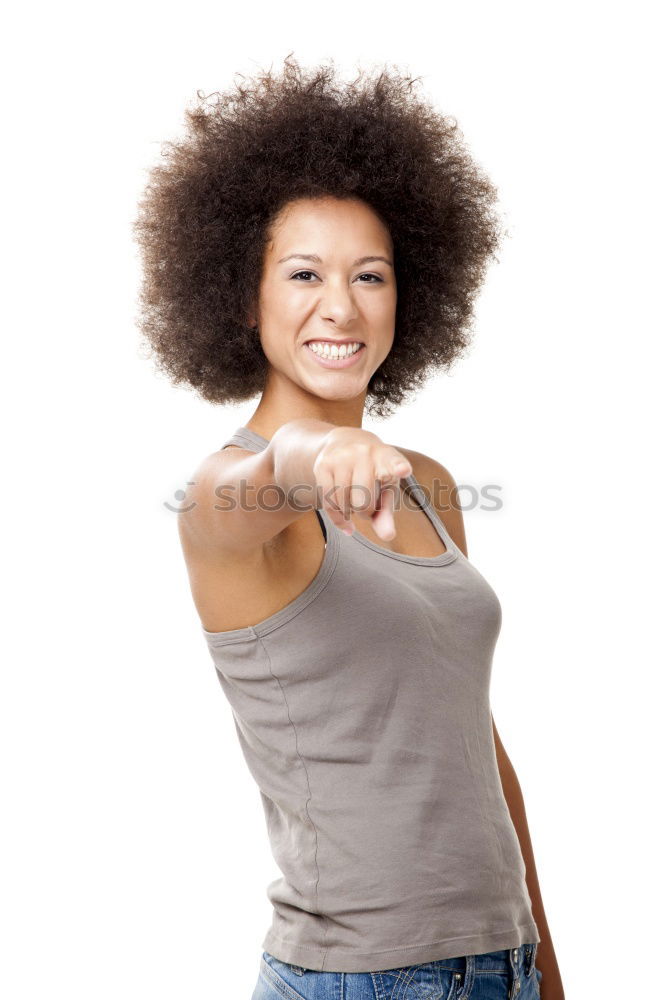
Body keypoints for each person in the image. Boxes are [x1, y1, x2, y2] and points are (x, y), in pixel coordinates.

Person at [133, 55, 564, 1000]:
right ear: (242, 297)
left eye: (370, 274)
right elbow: (255, 486)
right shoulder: (228, 497)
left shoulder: (427, 486)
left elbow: (471, 742)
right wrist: (308, 455)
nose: (341, 305)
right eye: (302, 274)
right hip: (358, 979)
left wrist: (543, 959)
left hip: (503, 963)